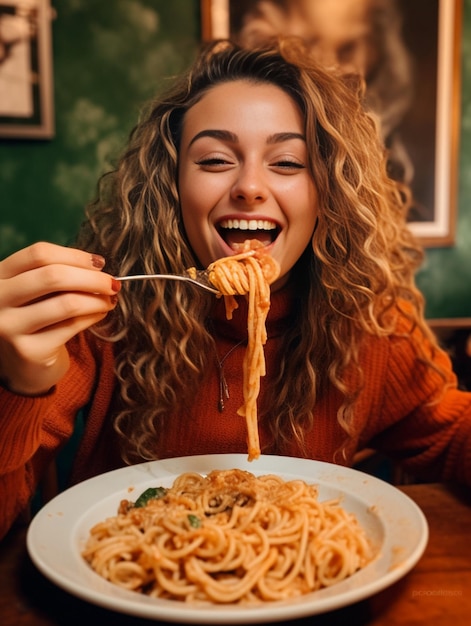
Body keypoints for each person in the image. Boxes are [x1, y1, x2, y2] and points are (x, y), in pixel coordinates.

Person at [0, 39, 469, 540]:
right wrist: (15, 385)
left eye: (288, 162)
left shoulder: (372, 325)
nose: (249, 186)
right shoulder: (100, 313)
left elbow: (451, 439)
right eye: (215, 160)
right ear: (172, 185)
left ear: (327, 192)